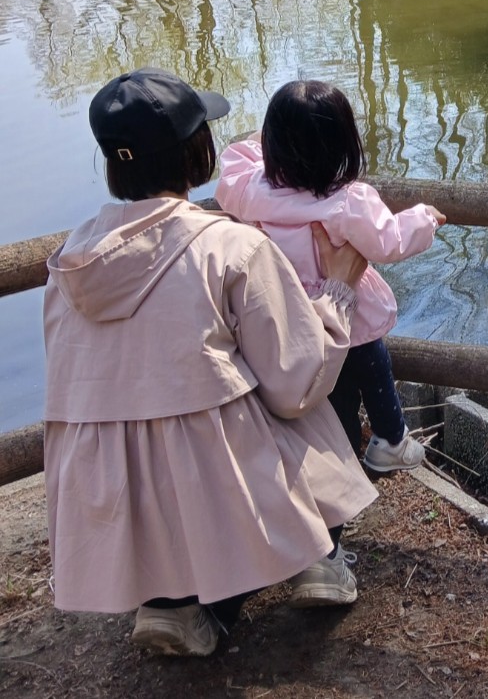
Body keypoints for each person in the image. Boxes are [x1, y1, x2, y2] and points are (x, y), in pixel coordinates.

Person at [42, 67, 377, 657]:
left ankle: (172, 603)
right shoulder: (231, 246)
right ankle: (317, 556)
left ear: (114, 165)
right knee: (302, 394)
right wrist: (340, 292)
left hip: (106, 489)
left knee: (188, 413)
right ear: (199, 151)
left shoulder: (71, 257)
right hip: (209, 479)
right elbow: (296, 383)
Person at [215, 80, 445, 474]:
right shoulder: (346, 203)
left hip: (291, 317)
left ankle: (341, 464)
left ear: (273, 145)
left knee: (330, 397)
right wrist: (425, 218)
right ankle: (390, 441)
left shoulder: (252, 190)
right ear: (343, 145)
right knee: (375, 372)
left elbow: (232, 166)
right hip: (346, 314)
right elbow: (389, 240)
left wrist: (263, 140)